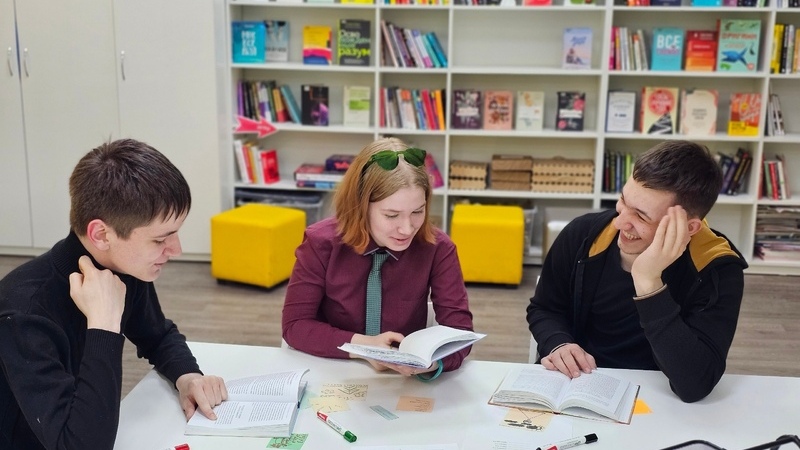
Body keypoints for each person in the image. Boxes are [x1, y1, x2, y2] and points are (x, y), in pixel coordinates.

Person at [0, 139, 227, 449]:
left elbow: (157, 336)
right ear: (101, 234)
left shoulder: (120, 265)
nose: (176, 250)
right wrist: (104, 326)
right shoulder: (23, 314)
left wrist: (188, 376)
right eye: (160, 239)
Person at [527, 140, 748, 403]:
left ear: (689, 228)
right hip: (577, 384)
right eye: (623, 200)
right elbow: (545, 308)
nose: (620, 223)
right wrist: (558, 342)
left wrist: (648, 283)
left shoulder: (717, 268)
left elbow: (695, 384)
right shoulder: (584, 234)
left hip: (657, 399)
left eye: (641, 217)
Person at [282, 137, 474, 380]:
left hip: (403, 379)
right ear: (361, 207)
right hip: (332, 370)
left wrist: (432, 363)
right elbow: (295, 325)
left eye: (418, 211)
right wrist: (364, 346)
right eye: (392, 215)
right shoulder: (320, 244)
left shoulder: (438, 248)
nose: (407, 228)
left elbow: (460, 333)